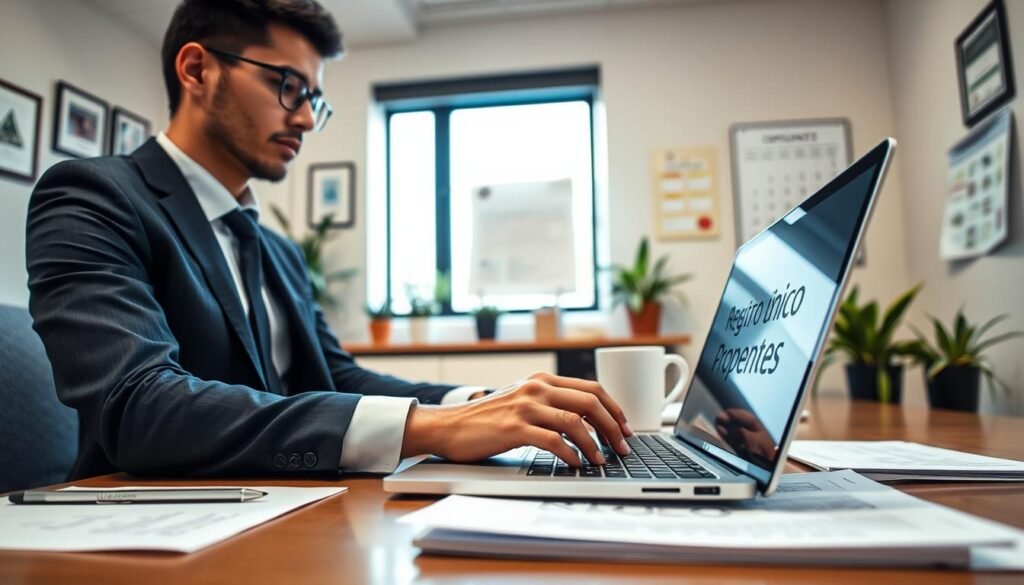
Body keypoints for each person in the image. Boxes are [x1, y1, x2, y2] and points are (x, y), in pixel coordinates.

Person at [26, 0, 632, 481]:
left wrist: (476, 400)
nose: (307, 118)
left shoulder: (278, 252)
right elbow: (140, 407)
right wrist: (433, 427)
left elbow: (335, 379)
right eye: (288, 85)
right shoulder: (94, 196)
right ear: (197, 69)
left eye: (314, 97)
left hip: (276, 506)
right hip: (142, 528)